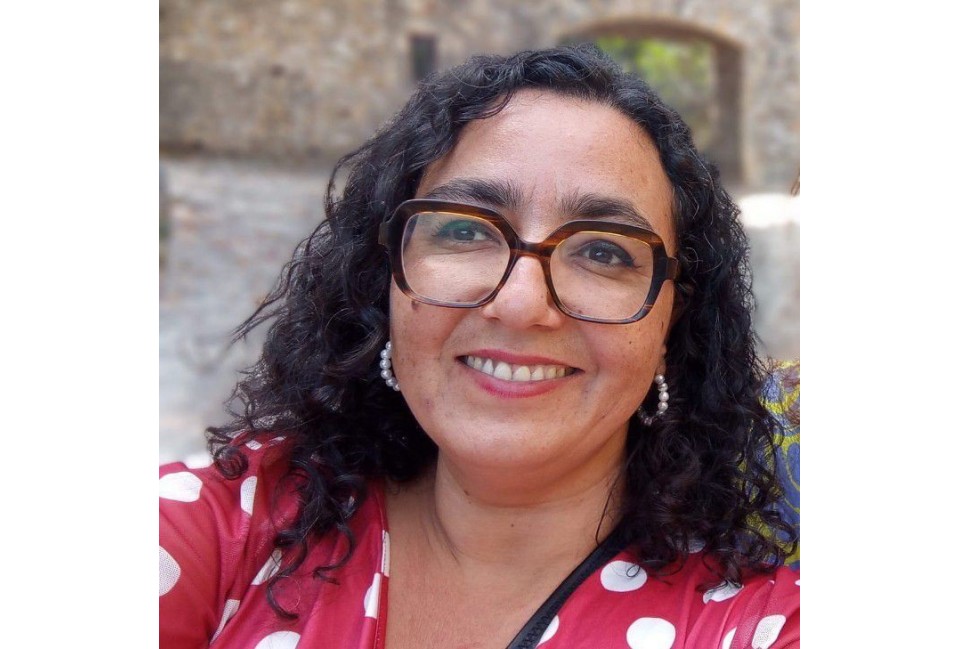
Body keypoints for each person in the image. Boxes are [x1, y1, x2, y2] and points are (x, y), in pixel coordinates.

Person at [160, 44, 799, 648]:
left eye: (604, 251)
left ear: (670, 325)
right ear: (386, 277)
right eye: (465, 231)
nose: (520, 304)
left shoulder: (759, 625)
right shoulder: (219, 533)